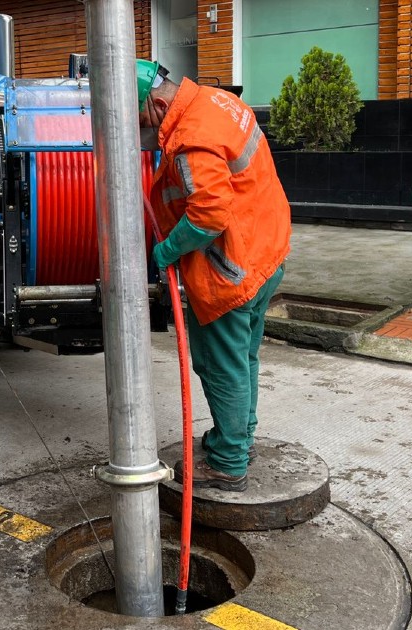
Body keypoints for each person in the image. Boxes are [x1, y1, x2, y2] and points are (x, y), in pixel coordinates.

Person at [136, 60, 292, 492]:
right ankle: (238, 439)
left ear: (157, 101)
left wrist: (166, 250)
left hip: (231, 270)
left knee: (220, 365)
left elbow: (207, 216)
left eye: (138, 116)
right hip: (265, 254)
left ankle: (226, 463)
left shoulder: (191, 137)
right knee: (243, 359)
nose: (140, 129)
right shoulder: (217, 101)